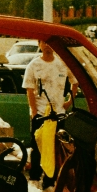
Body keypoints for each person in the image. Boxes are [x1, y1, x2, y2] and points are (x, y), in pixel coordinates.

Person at [22, 39, 77, 183]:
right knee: (37, 148)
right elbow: (29, 90)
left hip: (59, 114)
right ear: (39, 44)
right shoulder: (33, 66)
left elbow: (75, 82)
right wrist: (34, 112)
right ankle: (34, 179)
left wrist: (69, 102)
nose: (47, 46)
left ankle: (50, 182)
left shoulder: (62, 64)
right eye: (44, 43)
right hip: (40, 114)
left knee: (55, 148)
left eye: (50, 43)